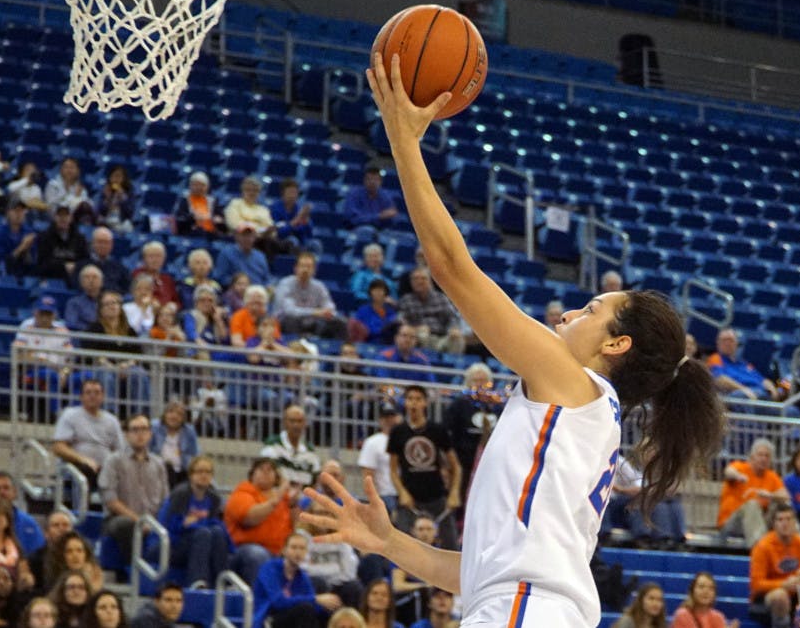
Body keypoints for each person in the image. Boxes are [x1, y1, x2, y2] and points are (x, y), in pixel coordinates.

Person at [300, 53, 725, 628]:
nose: (571, 311)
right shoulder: (579, 418)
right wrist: (391, 542)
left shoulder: (574, 386)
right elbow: (479, 574)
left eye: (592, 309)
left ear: (616, 345)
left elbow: (451, 267)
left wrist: (402, 139)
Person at [387, 385, 461, 549]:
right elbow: (392, 469)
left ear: (425, 403)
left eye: (418, 399)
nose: (414, 403)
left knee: (451, 546)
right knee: (402, 548)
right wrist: (402, 493)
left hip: (436, 497)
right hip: (410, 500)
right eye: (410, 399)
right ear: (405, 403)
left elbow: (455, 466)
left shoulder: (438, 430)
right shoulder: (398, 432)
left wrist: (454, 492)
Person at [98, 414, 169, 567]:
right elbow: (111, 501)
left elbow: (165, 500)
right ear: (127, 434)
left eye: (144, 429)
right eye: (135, 429)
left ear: (150, 434)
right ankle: (133, 571)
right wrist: (139, 521)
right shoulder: (113, 461)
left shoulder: (158, 464)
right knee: (126, 524)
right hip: (119, 519)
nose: (140, 434)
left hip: (153, 522)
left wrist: (155, 524)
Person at [156, 454, 231, 589]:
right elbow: (171, 526)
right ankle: (197, 582)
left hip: (199, 541)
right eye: (200, 471)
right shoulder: (181, 494)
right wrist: (195, 524)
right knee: (203, 533)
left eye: (208, 472)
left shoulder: (214, 498)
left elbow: (216, 525)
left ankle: (223, 581)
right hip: (171, 544)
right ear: (191, 475)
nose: (204, 475)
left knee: (217, 533)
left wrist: (194, 522)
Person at [750, 503, 800, 628]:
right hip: (770, 596)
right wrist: (783, 584)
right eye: (780, 519)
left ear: (795, 523)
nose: (785, 523)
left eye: (788, 519)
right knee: (780, 595)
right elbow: (756, 584)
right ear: (774, 524)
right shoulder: (762, 547)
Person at [224, 457, 296, 585]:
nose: (266, 472)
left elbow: (294, 528)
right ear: (252, 474)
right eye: (261, 469)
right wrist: (277, 497)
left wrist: (295, 505)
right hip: (244, 550)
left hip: (279, 552)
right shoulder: (243, 492)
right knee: (257, 554)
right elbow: (250, 518)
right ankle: (260, 602)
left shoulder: (285, 500)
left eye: (270, 470)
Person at [442, 363, 503, 510]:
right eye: (476, 380)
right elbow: (446, 432)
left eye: (483, 380)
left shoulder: (497, 407)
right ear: (468, 383)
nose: (480, 385)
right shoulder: (459, 405)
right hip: (464, 462)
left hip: (491, 464)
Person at [252, 532, 342, 628]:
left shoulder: (302, 576)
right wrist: (316, 599)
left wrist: (330, 608)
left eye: (302, 548)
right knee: (305, 609)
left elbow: (313, 605)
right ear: (284, 550)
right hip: (269, 619)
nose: (298, 552)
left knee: (329, 614)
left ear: (306, 552)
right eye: (294, 547)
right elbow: (278, 602)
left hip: (293, 618)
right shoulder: (270, 568)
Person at [81, 291, 151, 409]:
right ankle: (110, 412)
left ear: (120, 307)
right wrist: (112, 367)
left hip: (127, 367)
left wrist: (126, 365)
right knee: (107, 375)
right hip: (103, 366)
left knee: (139, 373)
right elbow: (90, 353)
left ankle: (140, 414)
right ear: (101, 309)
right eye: (107, 304)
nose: (111, 306)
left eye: (114, 303)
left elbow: (138, 355)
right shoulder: (94, 328)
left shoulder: (130, 331)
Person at [51, 379, 125, 489]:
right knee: (86, 470)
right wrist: (83, 460)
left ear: (103, 396)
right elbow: (58, 447)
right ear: (81, 396)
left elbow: (120, 451)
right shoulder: (70, 415)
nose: (93, 396)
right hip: (75, 468)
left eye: (97, 393)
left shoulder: (112, 421)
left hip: (104, 470)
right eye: (88, 392)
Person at [717, 438, 789, 548]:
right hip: (731, 523)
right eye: (760, 455)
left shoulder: (772, 476)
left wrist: (770, 495)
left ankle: (795, 546)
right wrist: (738, 476)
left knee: (785, 506)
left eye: (767, 456)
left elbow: (785, 495)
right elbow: (728, 472)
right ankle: (761, 548)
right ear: (752, 457)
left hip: (760, 523)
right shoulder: (740, 467)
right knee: (752, 504)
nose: (763, 459)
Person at [15, 296, 75, 416]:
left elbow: (71, 357)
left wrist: (65, 372)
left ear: (54, 315)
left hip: (61, 370)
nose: (44, 318)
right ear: (35, 313)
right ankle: (56, 413)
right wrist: (43, 362)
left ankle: (76, 415)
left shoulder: (62, 331)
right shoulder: (27, 328)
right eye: (42, 313)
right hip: (34, 370)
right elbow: (18, 353)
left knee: (85, 377)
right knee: (50, 374)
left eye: (48, 314)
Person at [274, 251, 348, 340]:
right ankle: (294, 347)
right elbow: (289, 311)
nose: (305, 270)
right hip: (287, 323)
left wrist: (328, 311)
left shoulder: (319, 286)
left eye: (309, 267)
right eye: (302, 266)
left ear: (314, 270)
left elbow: (328, 304)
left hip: (312, 323)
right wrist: (315, 312)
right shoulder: (285, 284)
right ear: (296, 268)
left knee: (339, 323)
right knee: (291, 319)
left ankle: (339, 351)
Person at [398, 268, 465, 355]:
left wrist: (453, 328)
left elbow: (453, 317)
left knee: (458, 339)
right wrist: (415, 329)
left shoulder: (441, 298)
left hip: (442, 337)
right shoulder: (406, 300)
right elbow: (401, 321)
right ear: (411, 282)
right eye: (416, 279)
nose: (419, 282)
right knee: (422, 334)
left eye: (423, 278)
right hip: (419, 337)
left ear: (430, 281)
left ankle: (453, 364)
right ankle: (425, 361)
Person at [0, 471, 48, 558]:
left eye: (6, 488)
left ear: (14, 493)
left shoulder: (29, 523)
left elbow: (39, 556)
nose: (2, 492)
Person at [260, 405, 322, 488]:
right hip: (278, 495)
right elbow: (267, 474)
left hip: (303, 498)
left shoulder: (310, 452)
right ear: (285, 422)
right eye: (292, 421)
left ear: (305, 423)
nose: (296, 425)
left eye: (299, 421)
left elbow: (315, 481)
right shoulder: (272, 445)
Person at [358, 403, 402, 514]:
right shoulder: (372, 442)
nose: (389, 420)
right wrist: (375, 498)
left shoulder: (405, 439)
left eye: (392, 417)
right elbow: (368, 474)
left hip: (404, 493)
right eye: (386, 417)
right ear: (380, 420)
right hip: (384, 494)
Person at [149, 401, 199, 489]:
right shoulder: (154, 427)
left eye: (179, 414)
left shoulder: (189, 431)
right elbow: (148, 450)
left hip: (182, 471)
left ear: (184, 418)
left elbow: (194, 454)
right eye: (170, 412)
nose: (174, 416)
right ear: (164, 414)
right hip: (158, 470)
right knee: (168, 469)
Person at [36, 205, 89, 281]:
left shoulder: (80, 238)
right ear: (55, 217)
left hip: (75, 279)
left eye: (66, 215)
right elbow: (42, 263)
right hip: (51, 278)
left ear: (71, 218)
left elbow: (86, 261)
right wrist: (63, 266)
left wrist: (75, 266)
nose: (63, 218)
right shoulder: (45, 237)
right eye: (60, 215)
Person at [0, 198, 38, 276]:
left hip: (24, 274)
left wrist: (27, 250)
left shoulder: (29, 232)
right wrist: (21, 247)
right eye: (16, 210)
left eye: (22, 211)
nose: (19, 214)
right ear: (8, 213)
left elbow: (32, 263)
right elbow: (0, 263)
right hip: (2, 274)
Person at [669, 572, 739, 628]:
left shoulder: (718, 617)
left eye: (711, 588)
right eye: (701, 587)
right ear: (692, 591)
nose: (706, 591)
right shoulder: (682, 615)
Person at [28, 511, 74, 594]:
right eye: (56, 525)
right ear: (46, 533)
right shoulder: (35, 559)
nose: (61, 529)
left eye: (65, 525)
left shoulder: (82, 556)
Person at [75, 227, 131, 293]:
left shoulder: (120, 268)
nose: (103, 245)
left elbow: (127, 289)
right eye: (100, 242)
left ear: (111, 245)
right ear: (92, 243)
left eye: (106, 242)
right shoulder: (81, 265)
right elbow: (77, 286)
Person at [173, 171, 225, 238]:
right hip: (190, 234)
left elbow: (220, 217)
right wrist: (194, 218)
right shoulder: (185, 199)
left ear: (207, 187)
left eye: (202, 185)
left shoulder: (213, 201)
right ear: (190, 186)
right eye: (196, 185)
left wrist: (215, 219)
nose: (199, 188)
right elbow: (180, 218)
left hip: (210, 235)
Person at [270, 178, 317, 251]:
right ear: (283, 193)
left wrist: (306, 220)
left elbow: (310, 233)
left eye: (295, 192)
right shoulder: (275, 208)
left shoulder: (299, 208)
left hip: (300, 240)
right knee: (293, 241)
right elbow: (279, 232)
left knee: (315, 244)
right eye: (290, 192)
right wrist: (296, 221)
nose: (292, 196)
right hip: (280, 241)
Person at [130, 242, 182, 308]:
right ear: (144, 258)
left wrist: (173, 306)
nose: (155, 260)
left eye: (158, 256)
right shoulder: (137, 274)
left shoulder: (167, 279)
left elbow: (176, 301)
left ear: (164, 259)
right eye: (151, 256)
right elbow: (138, 296)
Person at [352, 278, 400, 344]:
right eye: (375, 290)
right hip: (368, 344)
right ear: (370, 292)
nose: (378, 293)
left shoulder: (391, 311)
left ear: (385, 293)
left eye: (381, 290)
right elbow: (361, 331)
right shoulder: (362, 311)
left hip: (388, 344)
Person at [45, 158, 94, 223]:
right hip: (55, 220)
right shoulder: (53, 185)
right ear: (61, 170)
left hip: (75, 221)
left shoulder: (80, 188)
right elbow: (50, 207)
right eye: (66, 167)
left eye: (72, 167)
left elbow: (87, 205)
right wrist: (73, 198)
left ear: (78, 171)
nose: (69, 170)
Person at [95, 164, 136, 233]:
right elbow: (99, 211)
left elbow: (129, 213)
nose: (116, 179)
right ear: (110, 178)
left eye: (119, 176)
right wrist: (107, 198)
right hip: (106, 222)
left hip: (120, 222)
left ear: (124, 179)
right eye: (114, 176)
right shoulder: (105, 190)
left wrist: (122, 198)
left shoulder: (128, 193)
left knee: (127, 226)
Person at [64, 265, 104, 332]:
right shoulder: (73, 303)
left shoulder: (107, 302)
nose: (91, 280)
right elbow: (71, 324)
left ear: (101, 282)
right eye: (87, 277)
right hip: (82, 337)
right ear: (81, 282)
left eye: (95, 277)